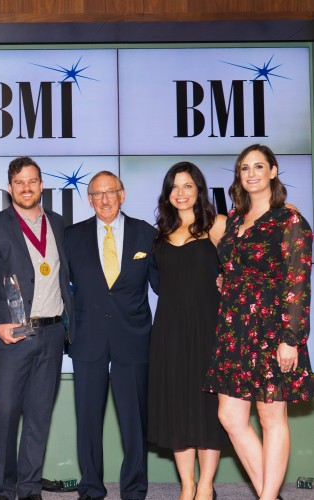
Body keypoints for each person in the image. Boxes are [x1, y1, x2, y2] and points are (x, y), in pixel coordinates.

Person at [204, 144, 314, 500]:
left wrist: (291, 338)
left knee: (271, 419)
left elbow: (298, 281)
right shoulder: (234, 219)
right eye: (244, 168)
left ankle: (267, 497)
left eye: (258, 166)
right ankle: (270, 493)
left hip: (271, 329)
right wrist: (228, 281)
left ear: (273, 171)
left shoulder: (290, 220)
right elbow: (231, 267)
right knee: (231, 417)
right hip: (233, 327)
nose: (251, 173)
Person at [0, 157, 73, 500]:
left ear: (42, 185)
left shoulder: (60, 225)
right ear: (9, 188)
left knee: (38, 415)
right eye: (19, 182)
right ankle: (3, 488)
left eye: (32, 181)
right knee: (4, 412)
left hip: (51, 334)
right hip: (11, 334)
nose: (27, 188)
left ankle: (30, 488)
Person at [64, 170, 157, 500]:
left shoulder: (146, 234)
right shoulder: (71, 236)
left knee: (135, 422)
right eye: (96, 194)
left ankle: (134, 489)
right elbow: (57, 286)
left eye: (110, 192)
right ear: (89, 200)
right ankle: (90, 488)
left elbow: (166, 283)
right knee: (88, 420)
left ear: (122, 194)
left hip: (133, 338)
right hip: (87, 339)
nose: (104, 199)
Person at [147, 163, 228, 500]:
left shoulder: (218, 226)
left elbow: (250, 256)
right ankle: (187, 485)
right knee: (177, 405)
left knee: (208, 407)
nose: (181, 193)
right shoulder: (159, 234)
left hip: (209, 328)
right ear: (167, 194)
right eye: (174, 187)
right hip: (169, 329)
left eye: (188, 186)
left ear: (199, 190)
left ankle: (206, 485)